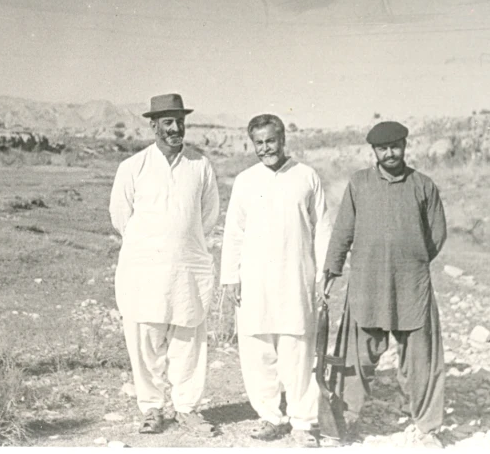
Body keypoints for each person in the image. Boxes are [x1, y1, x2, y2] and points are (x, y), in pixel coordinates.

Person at [322, 121, 447, 448]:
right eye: (383, 148)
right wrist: (332, 269)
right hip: (367, 283)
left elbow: (436, 235)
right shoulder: (359, 183)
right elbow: (342, 231)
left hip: (412, 285)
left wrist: (411, 259)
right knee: (355, 358)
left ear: (405, 146)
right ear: (373, 151)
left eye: (395, 146)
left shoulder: (423, 185)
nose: (390, 153)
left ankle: (428, 427)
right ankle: (344, 420)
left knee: (422, 360)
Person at [109, 93, 220, 436]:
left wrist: (180, 242)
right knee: (146, 340)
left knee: (188, 339)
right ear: (154, 125)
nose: (175, 128)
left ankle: (187, 409)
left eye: (180, 121)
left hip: (187, 269)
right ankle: (152, 409)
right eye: (168, 122)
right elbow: (121, 218)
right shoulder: (133, 167)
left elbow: (208, 217)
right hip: (144, 270)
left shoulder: (200, 165)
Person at [220, 113, 331, 447]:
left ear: (283, 140)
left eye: (271, 141)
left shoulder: (306, 176)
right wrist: (231, 277)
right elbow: (234, 232)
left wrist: (323, 275)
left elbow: (323, 228)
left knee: (298, 350)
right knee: (257, 351)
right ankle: (269, 416)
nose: (265, 148)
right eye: (259, 143)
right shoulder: (245, 180)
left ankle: (302, 422)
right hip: (254, 280)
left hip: (297, 277)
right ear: (252, 144)